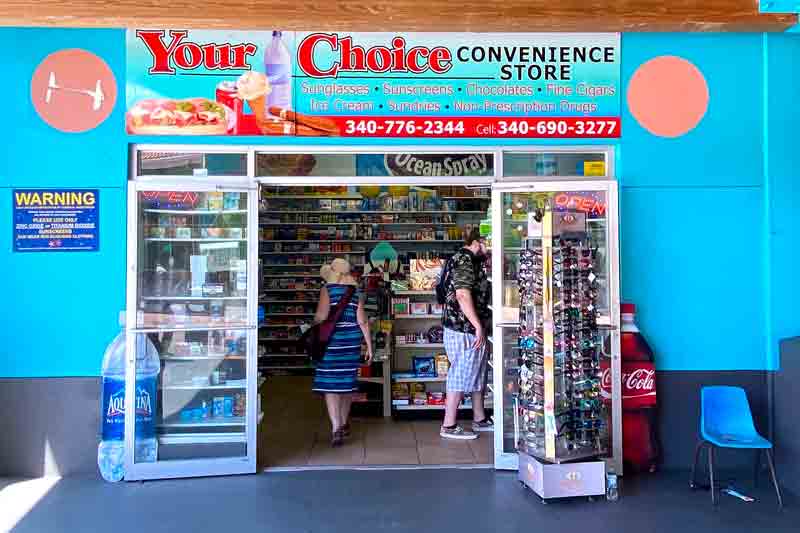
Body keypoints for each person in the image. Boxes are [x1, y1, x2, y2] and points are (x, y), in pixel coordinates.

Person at [312, 258, 374, 447]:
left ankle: (336, 427)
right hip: (351, 342)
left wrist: (313, 326)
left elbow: (321, 317)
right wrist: (370, 347)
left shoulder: (327, 290)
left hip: (330, 342)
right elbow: (362, 321)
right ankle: (344, 422)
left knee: (331, 386)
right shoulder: (355, 292)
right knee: (347, 384)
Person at [439, 228, 493, 440]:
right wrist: (477, 325)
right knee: (461, 373)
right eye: (489, 244)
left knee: (477, 371)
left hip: (462, 326)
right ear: (478, 242)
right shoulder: (465, 260)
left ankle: (479, 419)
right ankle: (449, 425)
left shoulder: (467, 258)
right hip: (463, 328)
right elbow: (462, 294)